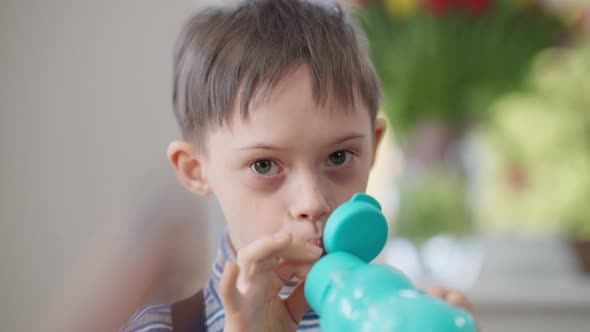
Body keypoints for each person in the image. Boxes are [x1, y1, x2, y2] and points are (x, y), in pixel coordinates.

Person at [120, 0, 475, 331]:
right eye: (263, 165)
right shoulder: (160, 327)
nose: (312, 203)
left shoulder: (405, 313)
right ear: (196, 170)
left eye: (339, 157)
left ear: (374, 147)